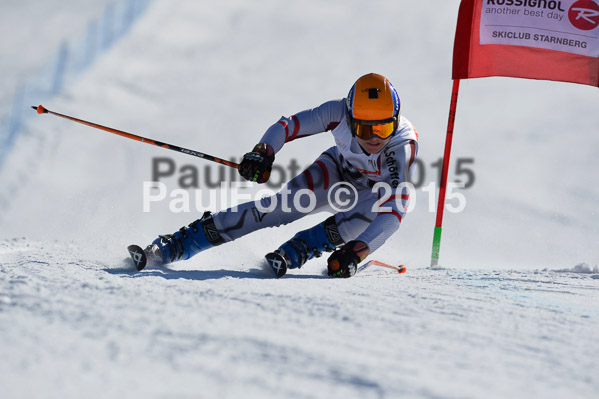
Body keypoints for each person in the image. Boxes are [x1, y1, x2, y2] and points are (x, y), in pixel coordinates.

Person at [142, 73, 419, 278]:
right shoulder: (337, 112)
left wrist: (358, 251)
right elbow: (288, 125)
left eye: (382, 129)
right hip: (337, 172)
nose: (374, 138)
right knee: (279, 208)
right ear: (350, 118)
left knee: (364, 217)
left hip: (374, 193)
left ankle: (301, 247)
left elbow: (394, 212)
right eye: (365, 129)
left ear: (395, 120)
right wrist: (263, 152)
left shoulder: (401, 147)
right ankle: (179, 243)